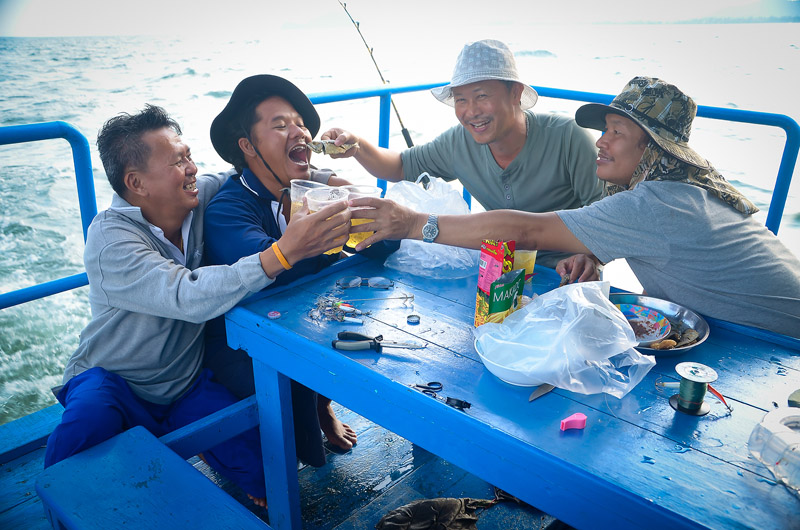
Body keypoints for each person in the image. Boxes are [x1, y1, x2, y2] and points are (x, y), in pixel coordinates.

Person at [44, 104, 351, 508]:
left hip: (184, 384)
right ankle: (53, 506)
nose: (191, 168)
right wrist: (282, 253)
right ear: (136, 182)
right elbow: (184, 295)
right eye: (177, 161)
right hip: (115, 380)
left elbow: (249, 172)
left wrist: (324, 168)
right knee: (83, 433)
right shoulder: (110, 239)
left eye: (188, 156)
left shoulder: (198, 197)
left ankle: (209, 447)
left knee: (268, 473)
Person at [347, 77, 800, 338]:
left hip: (778, 347)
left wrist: (412, 223)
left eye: (618, 132)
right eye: (606, 129)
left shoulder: (657, 202)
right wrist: (591, 249)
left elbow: (526, 231)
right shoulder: (676, 189)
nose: (601, 142)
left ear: (653, 149)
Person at [204, 75, 396, 464]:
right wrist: (322, 232)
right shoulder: (229, 209)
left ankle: (321, 404)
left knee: (375, 312)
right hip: (246, 343)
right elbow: (269, 272)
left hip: (311, 320)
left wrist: (352, 200)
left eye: (301, 125)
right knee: (289, 451)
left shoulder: (318, 191)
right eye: (279, 125)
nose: (300, 133)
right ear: (247, 146)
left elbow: (385, 243)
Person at [322, 39, 603, 275]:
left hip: (566, 273)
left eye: (481, 96)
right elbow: (401, 166)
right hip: (500, 270)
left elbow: (608, 220)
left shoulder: (569, 137)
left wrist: (589, 258)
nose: (471, 112)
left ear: (516, 93)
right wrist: (357, 147)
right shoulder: (460, 140)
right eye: (460, 100)